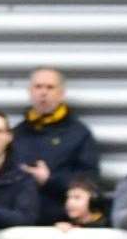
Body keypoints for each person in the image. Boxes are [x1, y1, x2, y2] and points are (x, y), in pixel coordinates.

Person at [12, 67, 100, 225]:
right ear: (30, 91)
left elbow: (90, 180)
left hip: (63, 226)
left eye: (50, 87)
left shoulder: (79, 134)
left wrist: (49, 180)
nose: (43, 92)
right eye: (38, 87)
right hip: (21, 224)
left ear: (62, 93)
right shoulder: (16, 134)